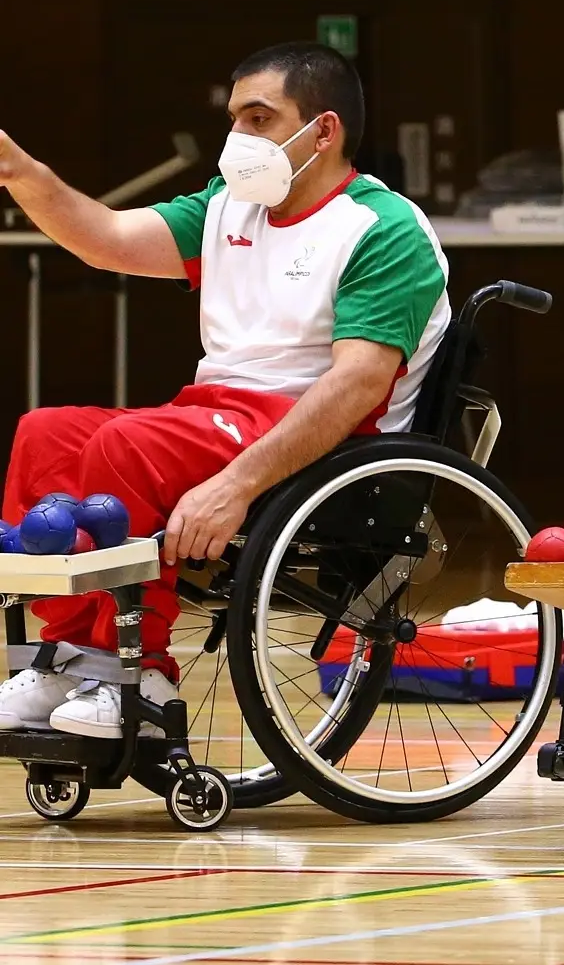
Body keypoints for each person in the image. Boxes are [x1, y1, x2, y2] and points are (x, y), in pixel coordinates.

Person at [0, 42, 450, 737]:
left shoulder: (383, 229)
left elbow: (358, 384)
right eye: (235, 117)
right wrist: (19, 171)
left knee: (128, 444)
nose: (239, 136)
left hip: (318, 437)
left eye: (260, 117)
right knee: (46, 432)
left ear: (323, 131)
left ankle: (139, 676)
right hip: (211, 418)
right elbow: (107, 237)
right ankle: (70, 655)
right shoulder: (227, 207)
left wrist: (236, 485)